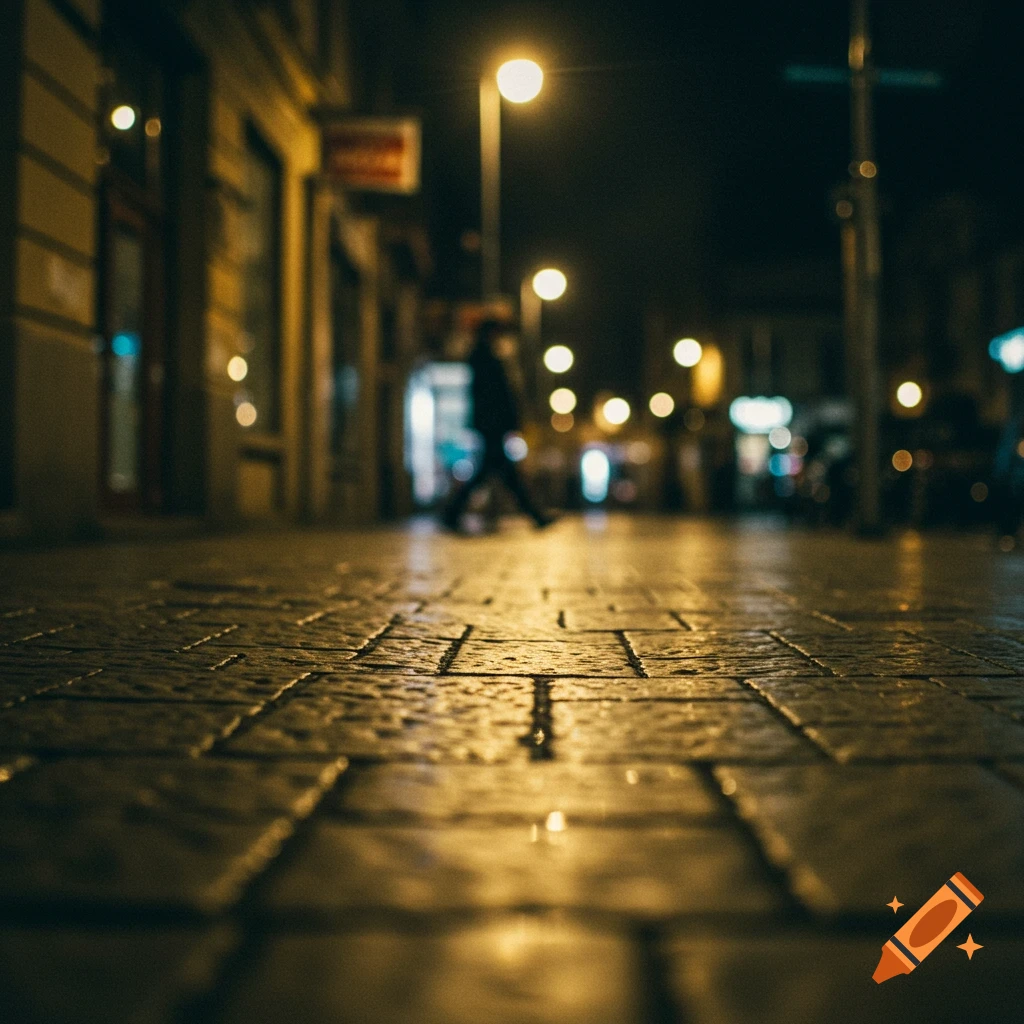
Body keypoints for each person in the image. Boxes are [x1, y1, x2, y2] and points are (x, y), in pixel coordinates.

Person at [442, 318, 555, 531]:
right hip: (492, 424)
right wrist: (508, 419)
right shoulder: (484, 357)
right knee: (502, 473)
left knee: (497, 472)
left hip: (491, 424)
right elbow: (494, 395)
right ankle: (535, 515)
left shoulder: (483, 356)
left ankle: (452, 513)